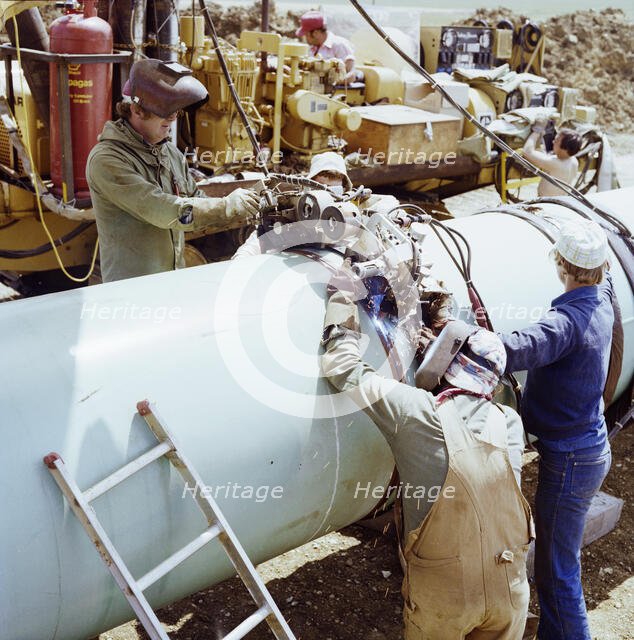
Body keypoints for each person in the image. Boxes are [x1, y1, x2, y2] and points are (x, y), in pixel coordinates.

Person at [321, 272, 533, 639]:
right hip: (510, 586)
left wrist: (342, 301)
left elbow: (343, 369)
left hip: (446, 596)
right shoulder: (509, 422)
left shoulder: (418, 414)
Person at [500, 219, 613, 640]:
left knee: (557, 569)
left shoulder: (567, 321)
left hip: (570, 462)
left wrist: (464, 338)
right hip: (585, 450)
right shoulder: (602, 299)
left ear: (561, 263)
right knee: (555, 561)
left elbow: (522, 345)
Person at [86, 58, 259, 282]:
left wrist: (244, 206)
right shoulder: (107, 160)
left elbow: (195, 199)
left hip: (170, 280)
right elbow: (164, 211)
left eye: (176, 110)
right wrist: (228, 206)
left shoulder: (169, 152)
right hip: (131, 290)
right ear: (137, 110)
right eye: (166, 110)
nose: (173, 117)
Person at [232, 151, 354, 259]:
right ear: (308, 187)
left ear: (344, 190)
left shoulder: (350, 217)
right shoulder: (292, 212)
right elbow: (254, 245)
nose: (328, 196)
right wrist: (239, 263)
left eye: (335, 191)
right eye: (321, 188)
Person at [296, 10, 362, 84]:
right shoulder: (312, 48)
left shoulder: (339, 45)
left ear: (315, 33)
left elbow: (351, 75)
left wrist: (331, 82)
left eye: (306, 35)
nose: (305, 38)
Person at [522, 120, 582, 197]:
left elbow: (527, 152)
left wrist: (536, 132)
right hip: (561, 200)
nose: (553, 142)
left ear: (565, 149)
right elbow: (549, 157)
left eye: (556, 141)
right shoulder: (574, 161)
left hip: (547, 202)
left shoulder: (555, 163)